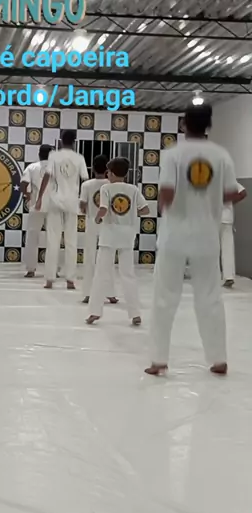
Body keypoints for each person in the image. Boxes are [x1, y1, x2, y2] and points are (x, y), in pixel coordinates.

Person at [145, 104, 241, 377]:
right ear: (209, 125)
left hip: (175, 235)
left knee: (164, 297)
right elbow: (232, 194)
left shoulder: (173, 154)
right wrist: (208, 199)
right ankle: (218, 359)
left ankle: (159, 360)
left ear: (183, 124)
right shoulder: (221, 155)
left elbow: (166, 192)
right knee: (210, 297)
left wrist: (168, 206)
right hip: (207, 236)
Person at [86, 157, 148, 326]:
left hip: (109, 236)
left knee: (101, 273)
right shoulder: (133, 189)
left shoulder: (106, 188)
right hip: (127, 236)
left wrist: (97, 219)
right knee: (128, 274)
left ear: (111, 173)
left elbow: (103, 208)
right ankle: (135, 313)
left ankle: (94, 312)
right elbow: (145, 209)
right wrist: (132, 214)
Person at [36, 129, 88, 289]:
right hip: (72, 202)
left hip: (55, 201)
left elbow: (47, 176)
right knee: (71, 242)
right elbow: (85, 179)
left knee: (52, 240)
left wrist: (39, 198)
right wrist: (85, 201)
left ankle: (50, 279)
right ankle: (70, 280)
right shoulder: (79, 158)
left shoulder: (54, 156)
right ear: (74, 141)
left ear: (61, 140)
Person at [79, 154, 118, 305]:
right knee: (108, 258)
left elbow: (82, 206)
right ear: (107, 170)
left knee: (89, 258)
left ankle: (88, 293)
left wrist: (88, 210)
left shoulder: (86, 185)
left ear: (93, 169)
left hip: (91, 223)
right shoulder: (112, 185)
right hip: (108, 224)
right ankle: (111, 293)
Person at [21, 144, 53, 278]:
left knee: (32, 237)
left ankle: (30, 269)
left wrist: (27, 195)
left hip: (36, 205)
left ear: (39, 154)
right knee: (53, 238)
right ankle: (53, 269)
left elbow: (23, 184)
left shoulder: (32, 167)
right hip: (54, 206)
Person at [221, 183, 246, 287]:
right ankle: (229, 276)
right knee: (227, 248)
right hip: (226, 218)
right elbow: (243, 192)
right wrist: (230, 201)